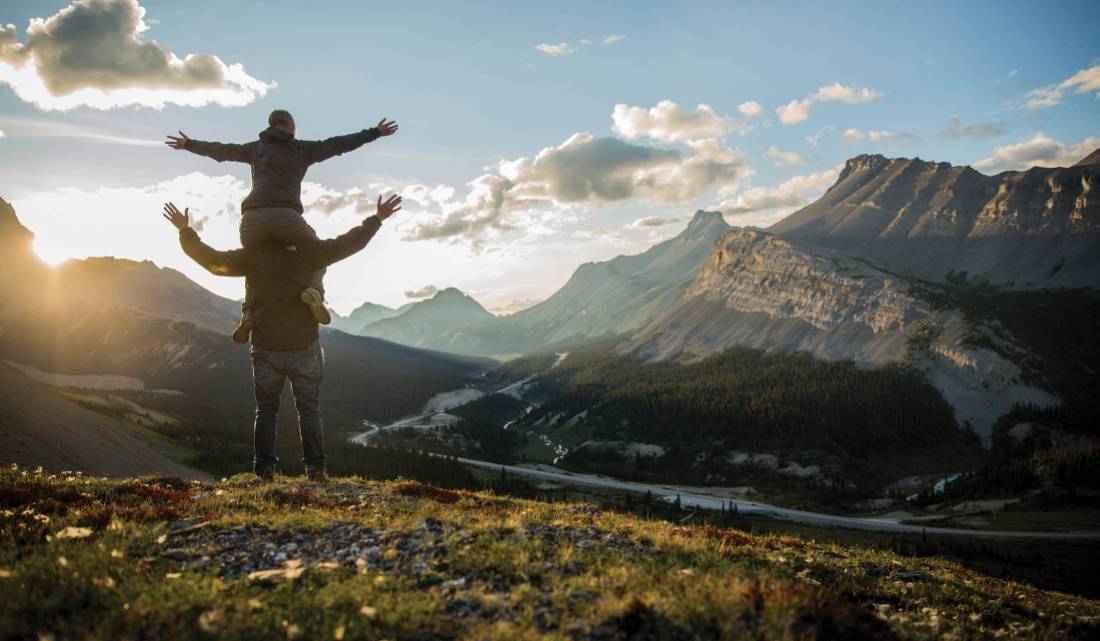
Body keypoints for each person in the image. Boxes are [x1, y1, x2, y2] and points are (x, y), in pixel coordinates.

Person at [161, 194, 402, 483]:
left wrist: (185, 230)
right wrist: (376, 219)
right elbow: (350, 243)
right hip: (304, 346)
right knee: (309, 409)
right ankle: (315, 470)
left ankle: (263, 471)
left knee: (266, 411)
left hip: (265, 347)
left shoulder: (253, 257)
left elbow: (212, 262)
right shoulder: (310, 251)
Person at [166, 110, 398, 343]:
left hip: (252, 222)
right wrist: (375, 133)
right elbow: (338, 144)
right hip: (286, 217)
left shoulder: (255, 148)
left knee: (253, 261)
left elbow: (223, 151)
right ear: (292, 127)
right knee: (319, 253)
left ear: (270, 125)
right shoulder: (301, 149)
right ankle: (315, 291)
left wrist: (189, 144)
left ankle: (248, 314)